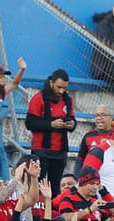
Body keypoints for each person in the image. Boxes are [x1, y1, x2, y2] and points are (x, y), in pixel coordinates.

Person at [24, 69, 76, 197]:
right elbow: (30, 123)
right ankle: (38, 214)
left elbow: (72, 120)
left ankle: (54, 215)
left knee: (56, 187)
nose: (61, 91)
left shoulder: (68, 100)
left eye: (64, 88)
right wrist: (51, 124)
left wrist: (71, 124)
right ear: (51, 82)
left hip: (60, 151)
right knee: (38, 186)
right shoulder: (38, 98)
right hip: (41, 149)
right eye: (59, 87)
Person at [75, 105, 113, 174]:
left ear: (111, 118)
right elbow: (80, 160)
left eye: (103, 115)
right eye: (96, 115)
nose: (99, 118)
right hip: (92, 178)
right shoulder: (88, 136)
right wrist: (78, 179)